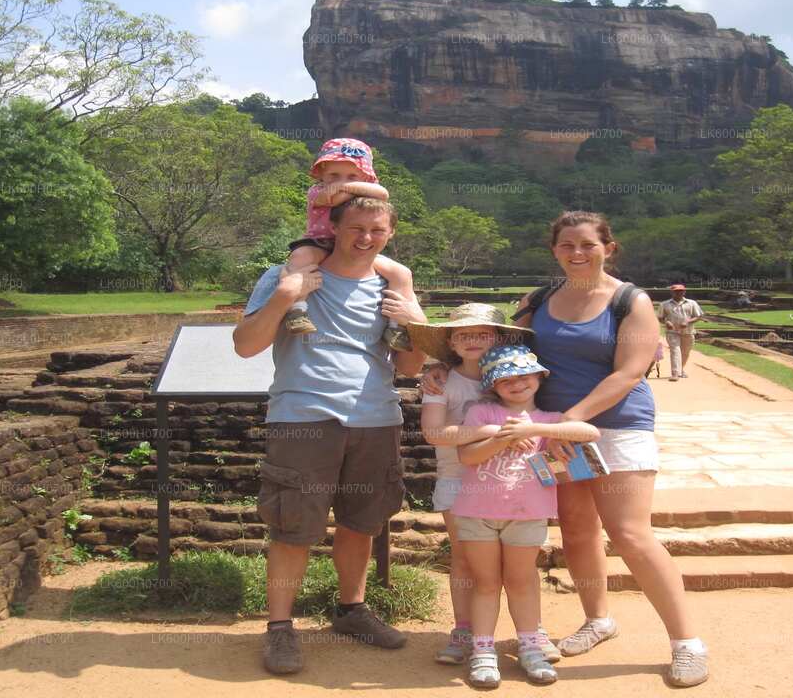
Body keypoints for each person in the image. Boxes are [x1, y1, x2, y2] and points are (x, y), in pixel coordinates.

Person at [423, 211, 709, 688]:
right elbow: (495, 347)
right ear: (554, 250)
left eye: (588, 244)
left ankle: (686, 643)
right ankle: (598, 619)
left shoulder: (628, 301)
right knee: (576, 531)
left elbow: (629, 371)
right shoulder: (538, 300)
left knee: (630, 533)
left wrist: (569, 421)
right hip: (548, 432)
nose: (577, 253)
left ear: (608, 247)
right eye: (567, 245)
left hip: (614, 425)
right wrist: (441, 367)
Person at [232, 196, 427, 675]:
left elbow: (409, 367)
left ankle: (351, 609)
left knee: (362, 522)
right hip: (304, 415)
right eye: (356, 227)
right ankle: (279, 627)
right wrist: (284, 297)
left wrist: (413, 321)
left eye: (377, 230)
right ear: (333, 227)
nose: (365, 238)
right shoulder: (289, 277)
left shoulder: (390, 286)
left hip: (375, 418)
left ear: (389, 235)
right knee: (293, 525)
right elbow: (245, 346)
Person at [407, 303, 553, 666]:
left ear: (499, 337)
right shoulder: (441, 380)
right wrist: (493, 432)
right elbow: (434, 432)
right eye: (464, 334)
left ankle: (532, 631)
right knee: (466, 561)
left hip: (515, 482)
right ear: (451, 343)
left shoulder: (516, 376)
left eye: (482, 333)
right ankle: (465, 629)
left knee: (521, 565)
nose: (473, 340)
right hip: (460, 478)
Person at [453, 344, 601, 688]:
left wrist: (532, 431)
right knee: (486, 583)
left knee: (522, 580)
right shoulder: (483, 414)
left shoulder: (550, 420)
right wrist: (505, 438)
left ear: (539, 376)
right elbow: (467, 457)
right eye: (506, 379)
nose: (516, 383)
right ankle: (483, 649)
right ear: (492, 385)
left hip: (528, 514)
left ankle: (530, 644)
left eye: (523, 375)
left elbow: (589, 433)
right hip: (478, 513)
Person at [284, 138, 417, 351]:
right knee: (301, 260)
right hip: (320, 242)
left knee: (401, 273)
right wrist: (354, 186)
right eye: (334, 176)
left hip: (356, 248)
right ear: (321, 174)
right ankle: (297, 310)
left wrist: (344, 185)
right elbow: (335, 199)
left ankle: (395, 327)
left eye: (352, 176)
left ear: (366, 177)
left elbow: (383, 194)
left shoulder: (365, 194)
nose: (340, 181)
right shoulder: (317, 192)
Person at [658, 284, 703, 381]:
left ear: (684, 292)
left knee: (685, 352)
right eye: (676, 291)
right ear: (672, 292)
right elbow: (660, 317)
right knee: (675, 350)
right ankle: (675, 373)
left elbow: (698, 316)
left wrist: (687, 322)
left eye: (681, 291)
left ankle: (681, 369)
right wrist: (666, 322)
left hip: (688, 331)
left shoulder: (691, 303)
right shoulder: (664, 304)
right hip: (672, 331)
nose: (679, 293)